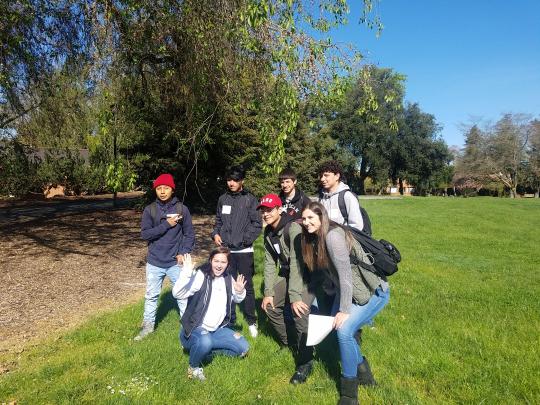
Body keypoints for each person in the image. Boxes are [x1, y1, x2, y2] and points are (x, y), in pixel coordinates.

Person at [300, 202, 390, 405]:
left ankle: (349, 395)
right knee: (338, 330)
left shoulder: (333, 236)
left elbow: (346, 276)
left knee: (344, 332)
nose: (306, 223)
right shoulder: (317, 238)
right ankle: (366, 377)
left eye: (311, 218)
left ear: (322, 217)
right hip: (351, 293)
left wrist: (343, 310)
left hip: (374, 292)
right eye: (304, 219)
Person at [258, 193, 315, 384]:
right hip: (288, 273)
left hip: (308, 275)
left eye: (269, 210)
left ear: (279, 209)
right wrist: (268, 293)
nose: (265, 214)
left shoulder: (293, 228)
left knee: (299, 312)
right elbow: (268, 264)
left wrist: (295, 296)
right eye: (263, 210)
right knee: (271, 306)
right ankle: (288, 343)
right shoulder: (268, 233)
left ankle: (305, 361)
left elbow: (298, 263)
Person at [172, 248, 249, 381]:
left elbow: (237, 299)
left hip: (216, 330)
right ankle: (193, 368)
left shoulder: (228, 278)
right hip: (194, 329)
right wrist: (185, 274)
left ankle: (204, 352)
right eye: (216, 261)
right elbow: (177, 294)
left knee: (243, 348)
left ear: (228, 264)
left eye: (223, 262)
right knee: (205, 341)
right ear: (210, 261)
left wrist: (240, 291)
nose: (219, 265)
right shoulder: (200, 276)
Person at [135, 173, 195, 341]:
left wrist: (183, 252)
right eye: (159, 188)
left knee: (183, 294)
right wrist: (166, 225)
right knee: (151, 295)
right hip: (154, 262)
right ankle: (147, 326)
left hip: (175, 263)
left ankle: (187, 328)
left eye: (166, 188)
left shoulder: (182, 209)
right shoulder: (150, 210)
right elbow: (146, 234)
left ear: (172, 189)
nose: (162, 192)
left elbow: (189, 235)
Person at [211, 165, 262, 337]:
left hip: (244, 251)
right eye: (229, 180)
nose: (231, 183)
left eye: (235, 180)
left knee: (246, 285)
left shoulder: (250, 199)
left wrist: (244, 240)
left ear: (242, 181)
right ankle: (229, 320)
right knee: (227, 285)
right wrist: (215, 234)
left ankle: (251, 320)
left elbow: (257, 224)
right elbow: (218, 221)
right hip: (226, 251)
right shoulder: (222, 199)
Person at [318, 160, 364, 232]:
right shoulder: (321, 198)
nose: (322, 179)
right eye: (321, 176)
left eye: (326, 175)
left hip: (343, 240)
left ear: (337, 176)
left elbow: (357, 226)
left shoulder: (347, 197)